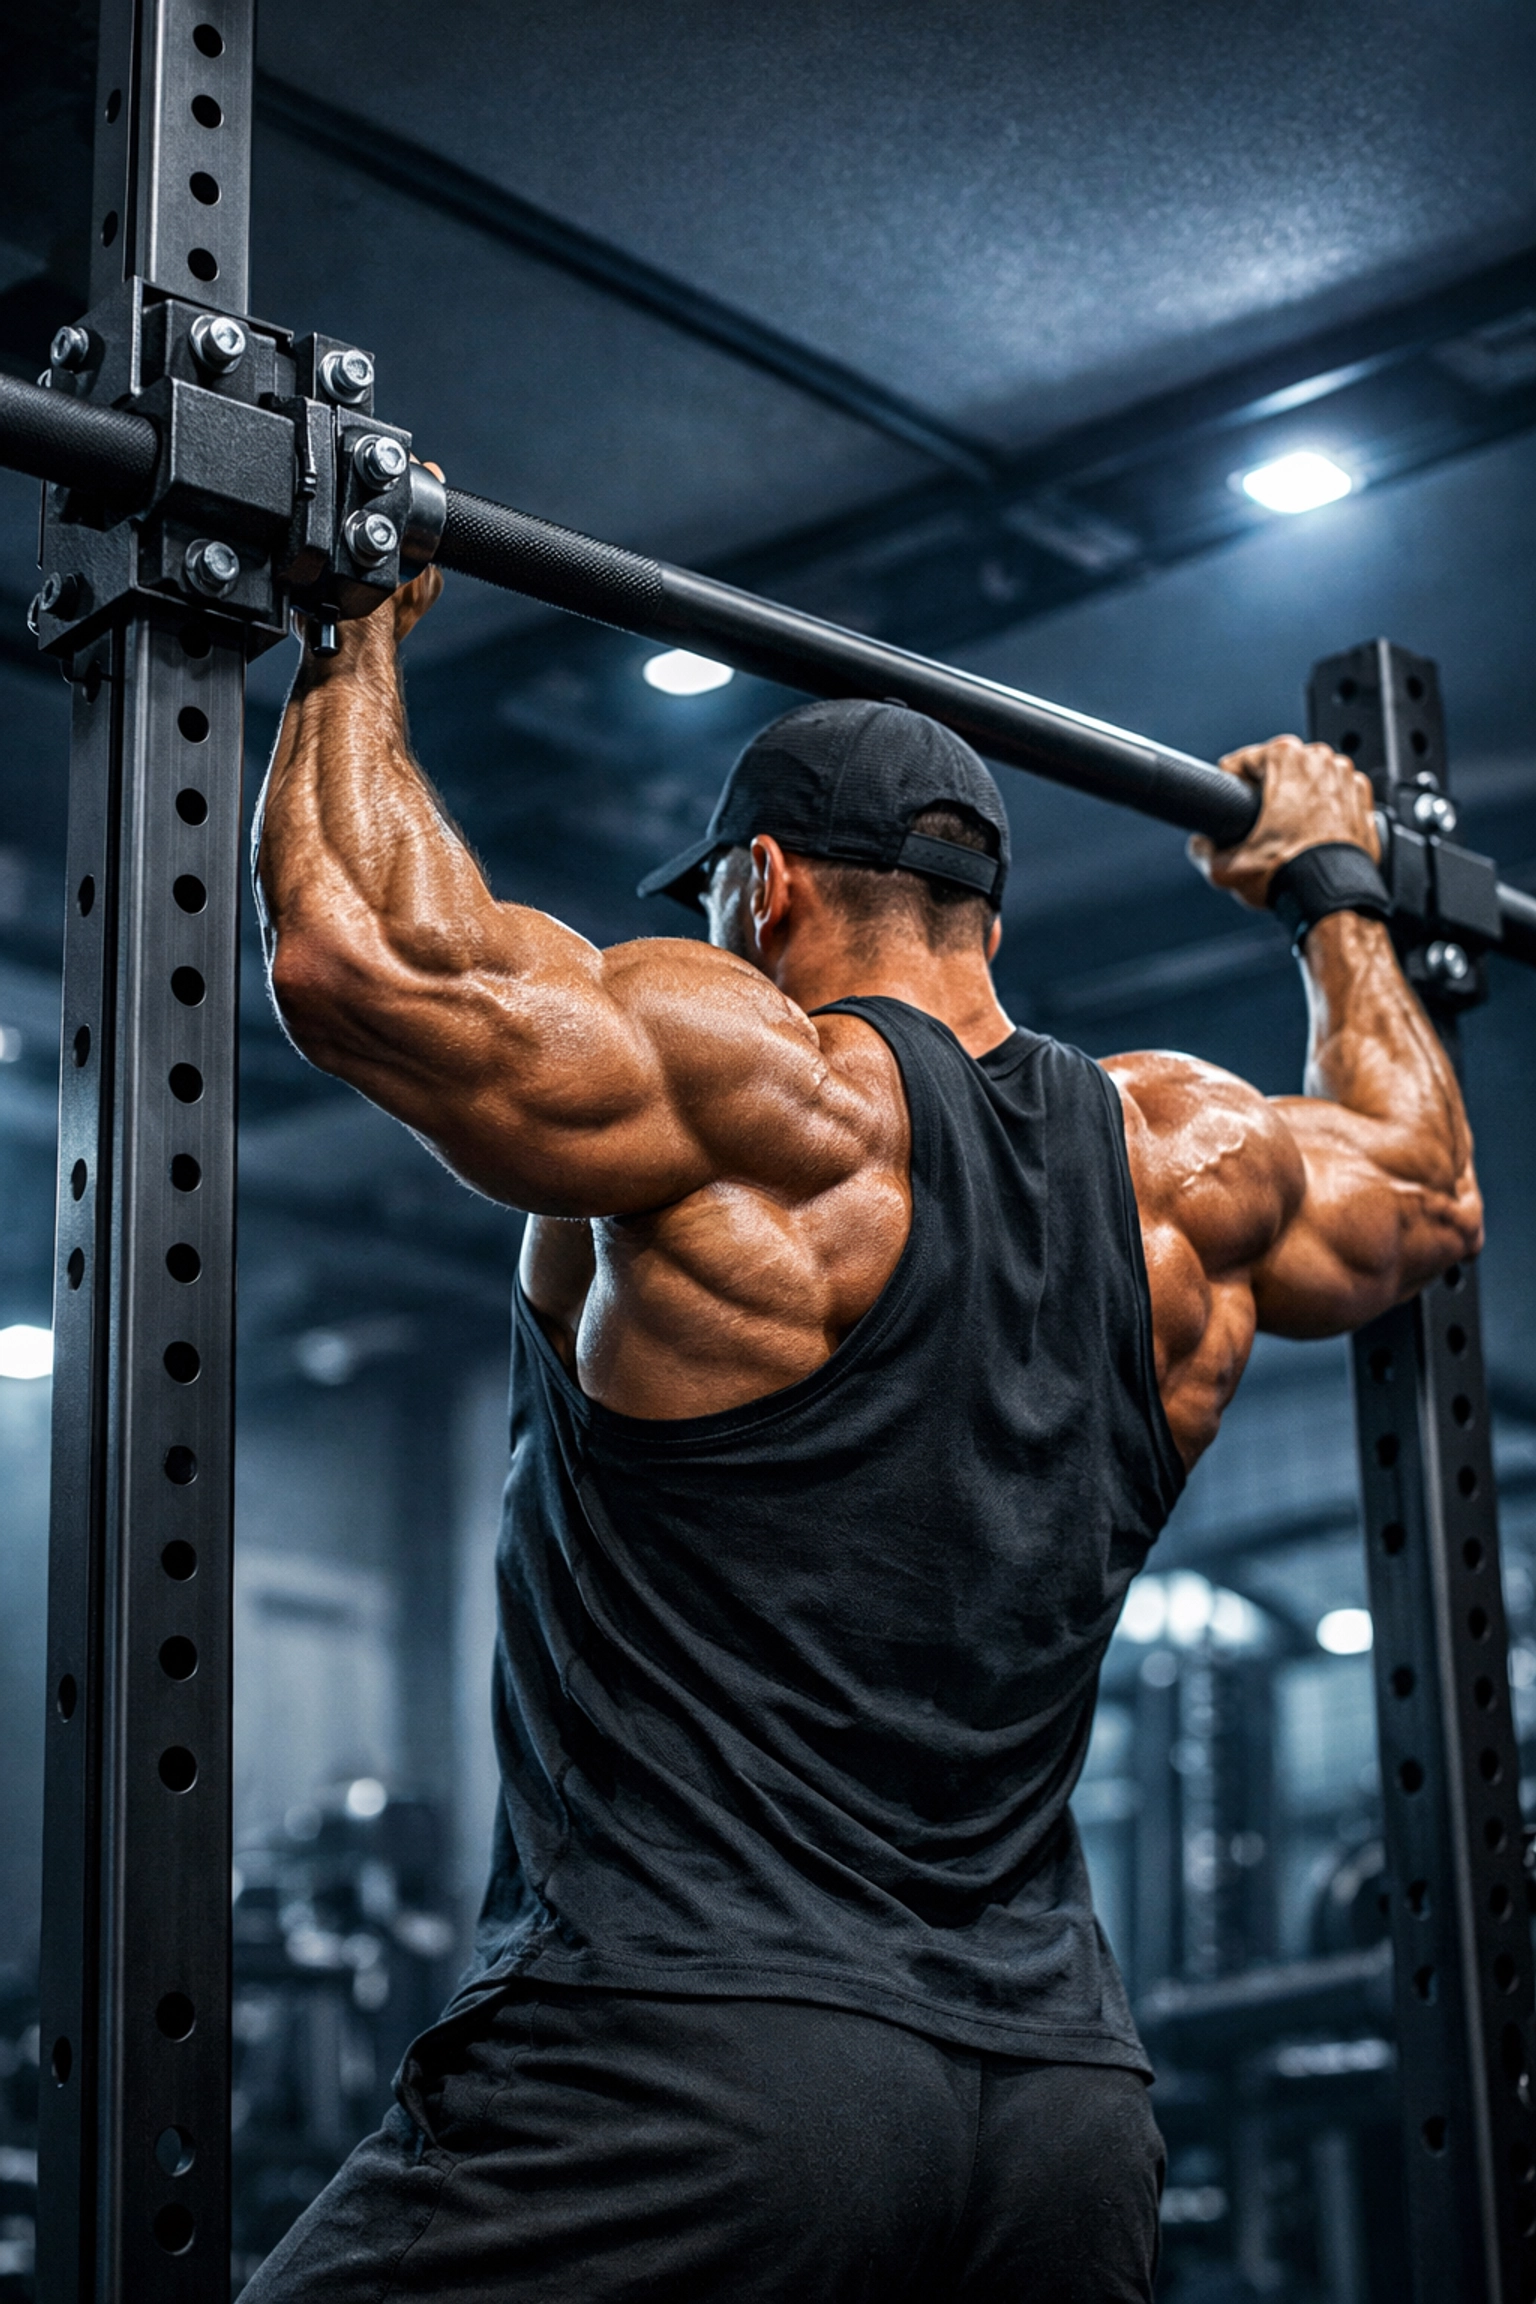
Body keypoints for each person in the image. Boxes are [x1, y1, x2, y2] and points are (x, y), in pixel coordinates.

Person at [243, 561, 1481, 2304]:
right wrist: (1334, 894)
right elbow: (1427, 1187)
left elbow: (358, 955)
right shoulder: (1189, 1175)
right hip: (1056, 2116)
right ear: (989, 917)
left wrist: (346, 613)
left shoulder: (765, 1100)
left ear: (763, 887)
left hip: (688, 2065)